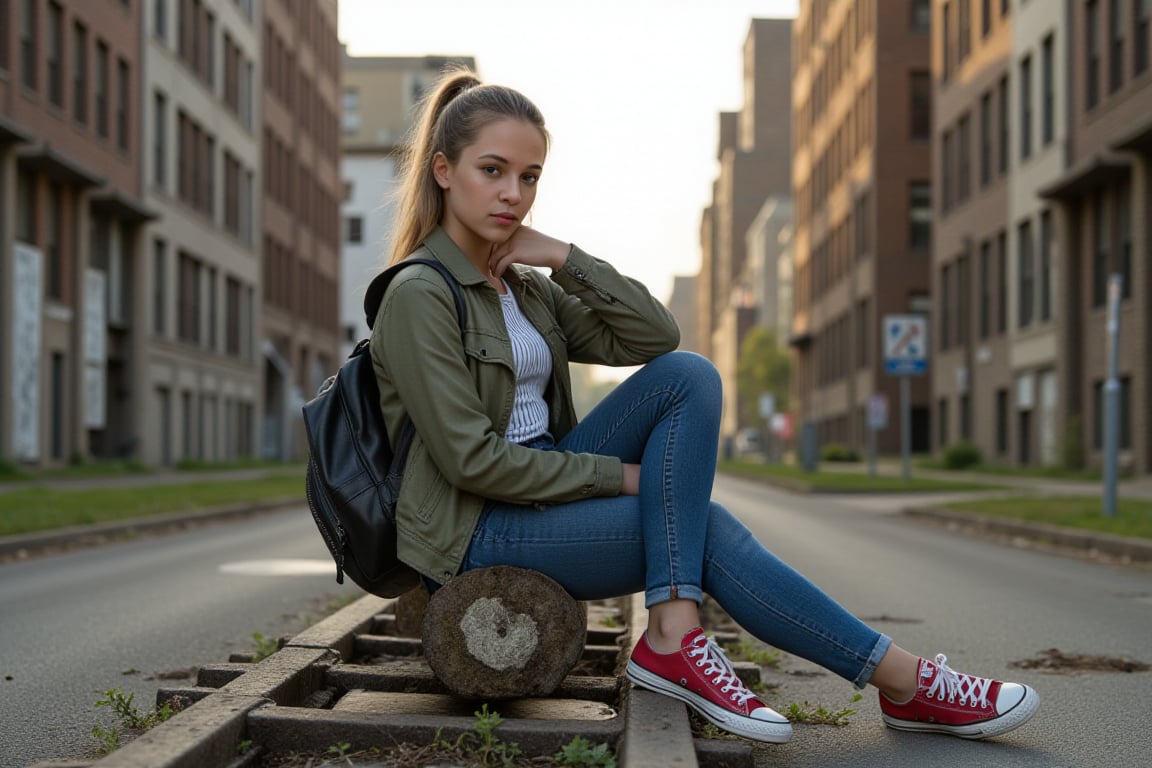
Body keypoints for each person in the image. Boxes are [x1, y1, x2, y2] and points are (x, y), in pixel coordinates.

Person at [369, 67, 1039, 745]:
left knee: (688, 375)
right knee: (703, 527)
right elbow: (471, 461)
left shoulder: (523, 289)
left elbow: (654, 337)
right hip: (478, 526)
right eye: (493, 170)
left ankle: (678, 634)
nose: (514, 193)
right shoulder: (420, 295)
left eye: (530, 176)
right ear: (445, 171)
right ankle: (901, 682)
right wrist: (622, 478)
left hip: (543, 485)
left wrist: (564, 256)